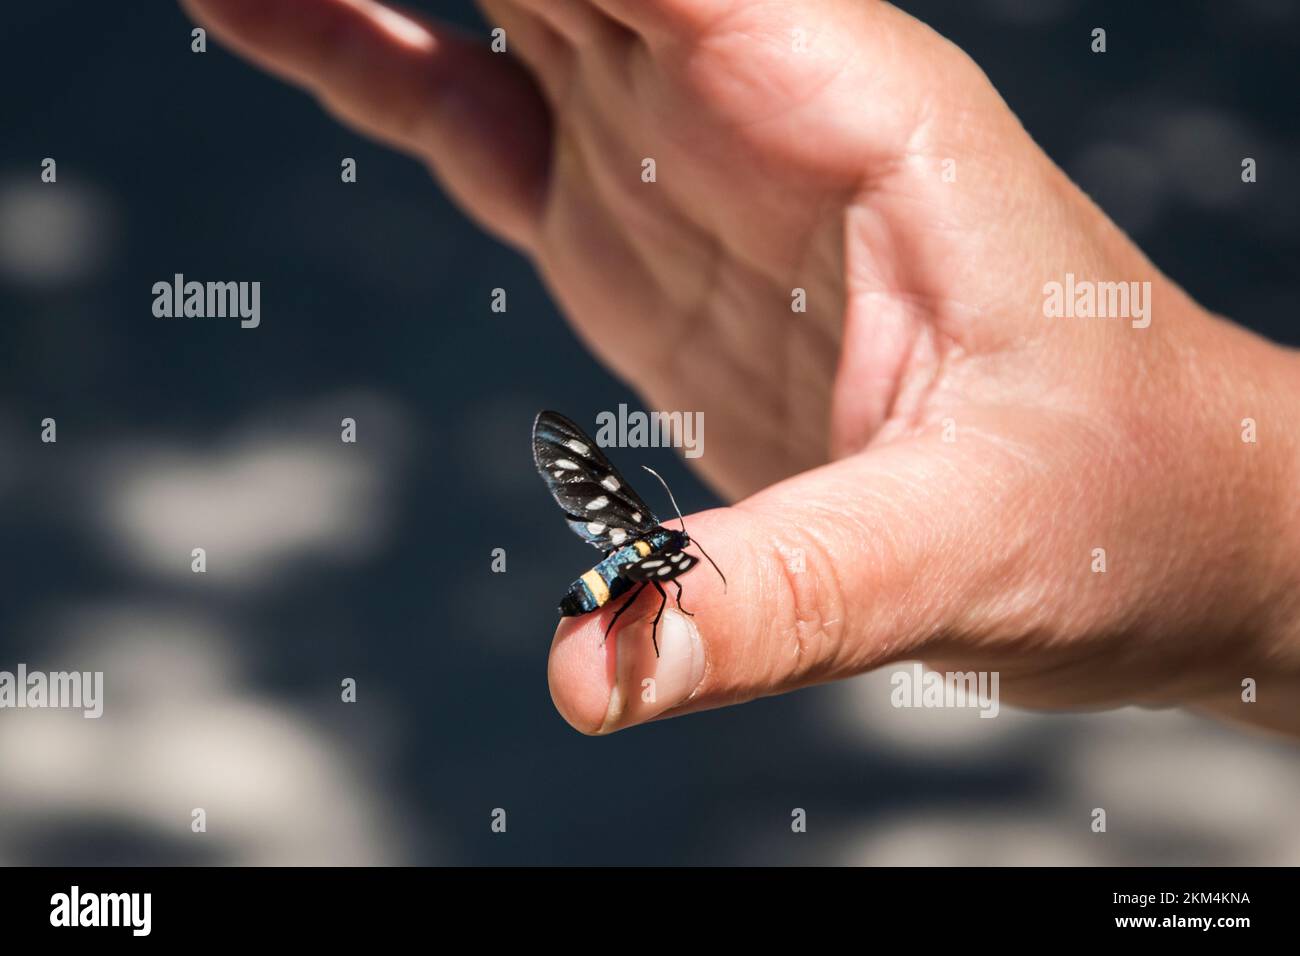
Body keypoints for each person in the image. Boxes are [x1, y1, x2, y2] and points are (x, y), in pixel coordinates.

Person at [181, 0, 1300, 737]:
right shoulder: (649, 557)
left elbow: (626, 533)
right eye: (663, 556)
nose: (668, 558)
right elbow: (638, 546)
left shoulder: (640, 550)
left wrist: (1248, 548)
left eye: (665, 559)